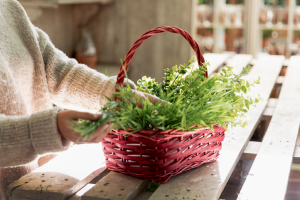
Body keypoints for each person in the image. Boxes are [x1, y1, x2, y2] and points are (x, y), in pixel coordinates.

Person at [0, 0, 159, 199]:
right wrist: (49, 129)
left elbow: (56, 70)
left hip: (36, 185)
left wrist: (114, 94)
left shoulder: (8, 8)